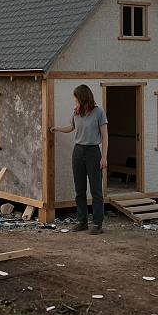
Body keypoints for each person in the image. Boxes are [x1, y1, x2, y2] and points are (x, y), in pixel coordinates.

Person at [51, 84, 108, 234]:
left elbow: (105, 136)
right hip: (78, 152)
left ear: (83, 98)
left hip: (93, 152)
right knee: (79, 189)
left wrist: (104, 157)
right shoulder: (77, 113)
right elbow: (71, 127)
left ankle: (97, 224)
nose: (75, 102)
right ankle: (82, 221)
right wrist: (56, 128)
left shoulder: (98, 113)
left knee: (96, 190)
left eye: (76, 99)